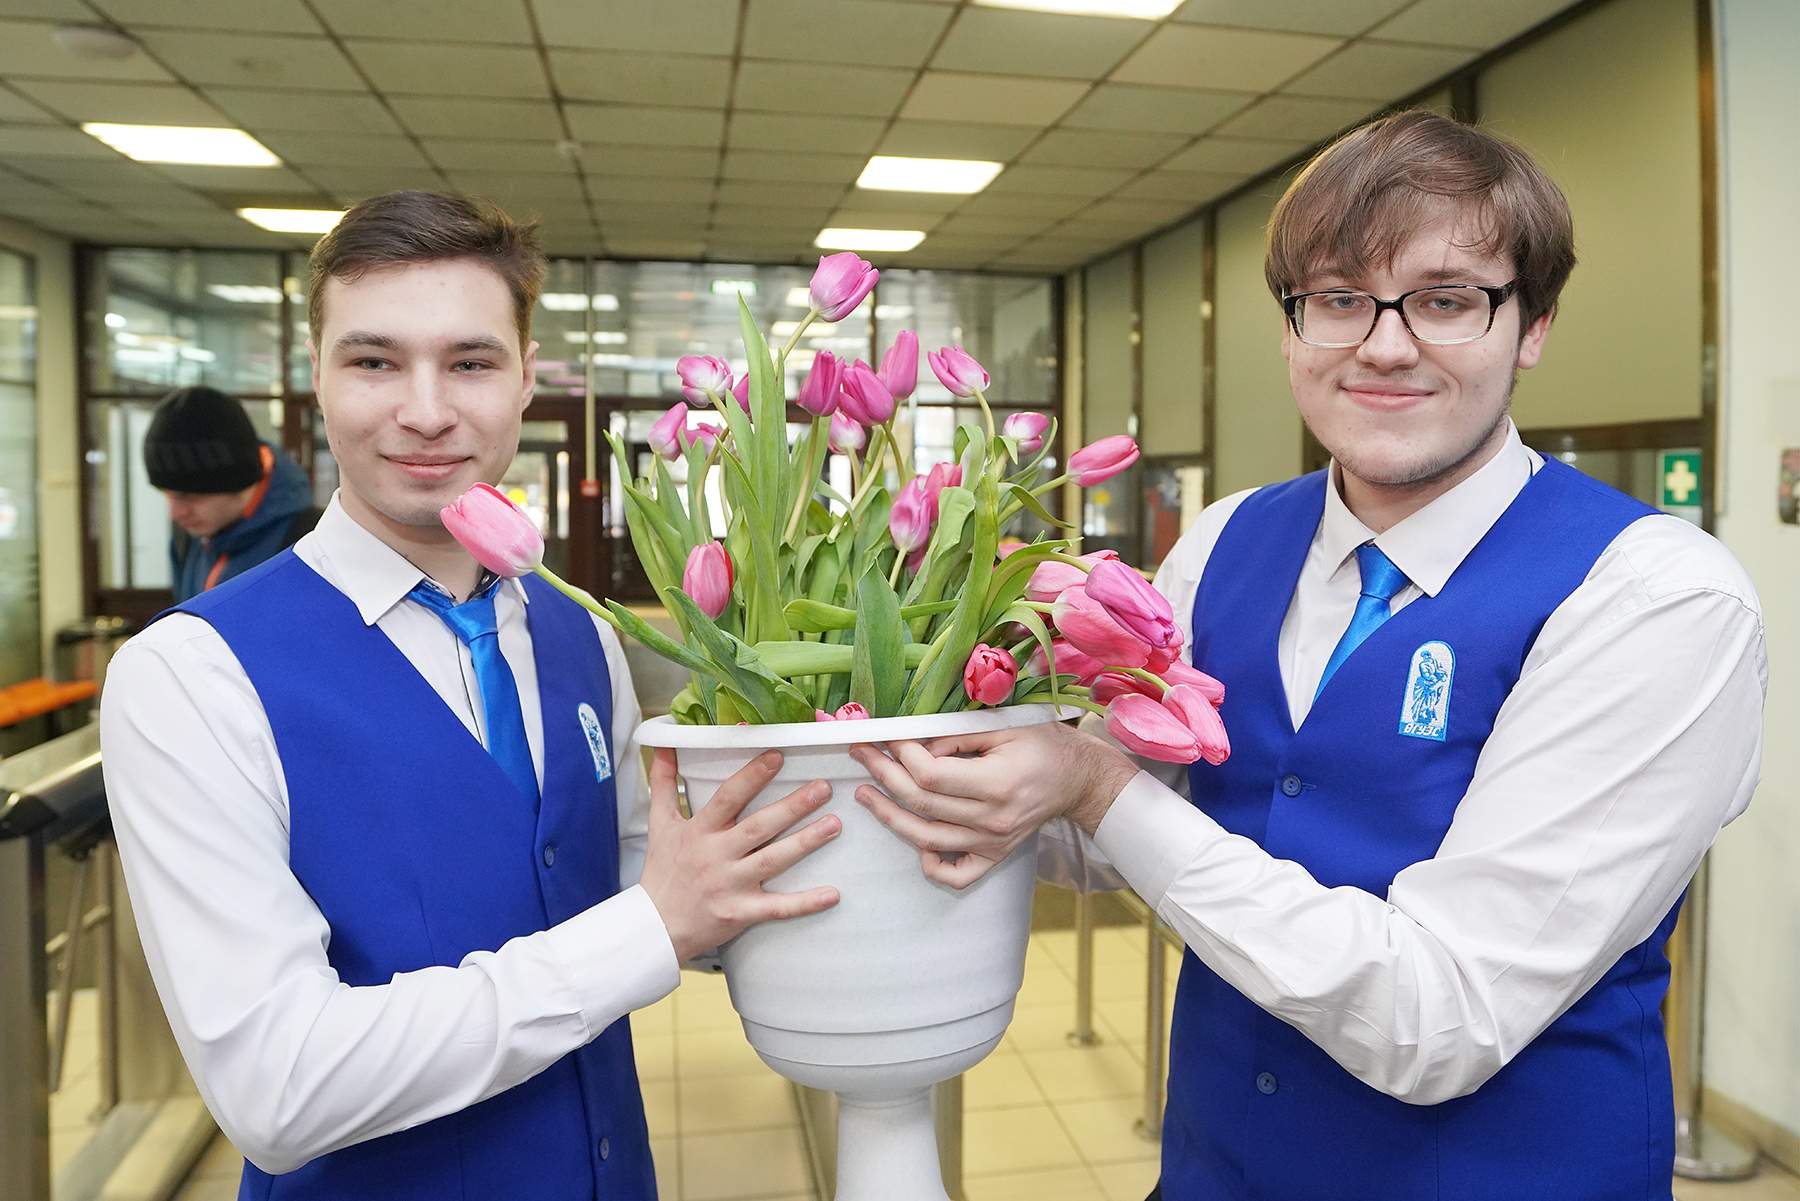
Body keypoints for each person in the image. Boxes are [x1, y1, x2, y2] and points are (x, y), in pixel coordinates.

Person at [849, 111, 1767, 1200]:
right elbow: (1103, 845)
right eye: (1338, 299)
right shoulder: (1225, 543)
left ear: (1533, 326)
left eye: (1445, 298)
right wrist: (923, 749)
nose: (1384, 344)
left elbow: (1442, 1015)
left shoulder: (1656, 598)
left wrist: (1093, 788)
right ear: (1291, 331)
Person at [100, 191, 842, 1201]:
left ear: (528, 380)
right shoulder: (190, 675)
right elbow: (277, 1090)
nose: (426, 409)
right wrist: (646, 934)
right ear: (316, 378)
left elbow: (646, 875)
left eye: (471, 361)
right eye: (373, 361)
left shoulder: (580, 632)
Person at [141, 384, 321, 601]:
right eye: (166, 495)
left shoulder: (310, 541)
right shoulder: (187, 539)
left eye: (190, 497)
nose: (176, 513)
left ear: (240, 483)